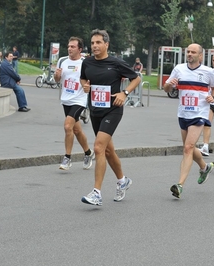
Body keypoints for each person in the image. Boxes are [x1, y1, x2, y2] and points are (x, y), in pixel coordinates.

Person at [79, 29, 141, 206]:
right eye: (92, 43)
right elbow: (83, 79)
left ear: (106, 44)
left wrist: (125, 93)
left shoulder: (116, 63)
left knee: (98, 147)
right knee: (107, 150)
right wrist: (85, 86)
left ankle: (96, 193)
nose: (95, 46)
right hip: (95, 110)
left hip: (113, 109)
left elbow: (136, 78)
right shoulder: (87, 63)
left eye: (98, 42)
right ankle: (123, 181)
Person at [163, 43, 214, 199]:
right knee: (189, 146)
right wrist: (170, 85)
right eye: (188, 51)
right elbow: (166, 89)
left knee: (188, 148)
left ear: (200, 55)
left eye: (193, 52)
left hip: (200, 113)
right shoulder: (179, 69)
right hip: (183, 113)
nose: (189, 54)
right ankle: (204, 167)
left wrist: (212, 97)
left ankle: (179, 185)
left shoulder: (208, 72)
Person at [54, 37, 94, 171]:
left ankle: (67, 158)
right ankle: (88, 153)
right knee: (76, 130)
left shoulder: (85, 62)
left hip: (79, 100)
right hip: (66, 100)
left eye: (72, 46)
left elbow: (91, 79)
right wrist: (57, 75)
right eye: (68, 46)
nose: (69, 49)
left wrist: (89, 85)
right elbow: (57, 80)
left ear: (80, 49)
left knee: (67, 126)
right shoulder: (63, 61)